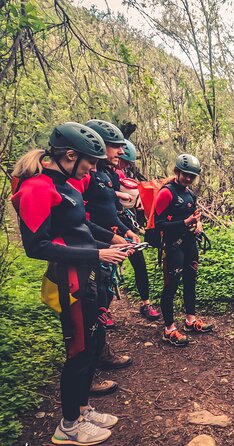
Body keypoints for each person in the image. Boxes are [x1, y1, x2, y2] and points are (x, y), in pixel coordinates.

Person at [11, 122, 131, 445]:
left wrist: (113, 240)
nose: (92, 168)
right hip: (69, 281)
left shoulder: (68, 184)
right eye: (89, 162)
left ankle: (81, 408)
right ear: (69, 155)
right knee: (78, 349)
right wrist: (99, 253)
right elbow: (37, 246)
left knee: (91, 343)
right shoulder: (38, 188)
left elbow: (82, 226)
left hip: (87, 271)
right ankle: (68, 426)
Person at [68, 119, 135, 373]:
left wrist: (126, 231)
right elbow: (81, 218)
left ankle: (99, 352)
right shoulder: (84, 176)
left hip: (105, 245)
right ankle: (88, 365)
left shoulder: (104, 174)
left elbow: (108, 211)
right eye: (115, 146)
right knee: (91, 307)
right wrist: (108, 239)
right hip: (89, 248)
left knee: (103, 300)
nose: (120, 151)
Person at [155, 154, 212, 346]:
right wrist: (185, 222)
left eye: (192, 176)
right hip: (172, 246)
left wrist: (198, 224)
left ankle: (190, 320)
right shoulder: (166, 193)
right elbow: (159, 224)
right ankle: (169, 329)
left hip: (189, 243)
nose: (188, 178)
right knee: (171, 286)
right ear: (177, 172)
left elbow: (194, 215)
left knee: (190, 281)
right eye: (185, 174)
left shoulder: (190, 194)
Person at [115, 138, 160, 321]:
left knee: (139, 263)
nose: (126, 165)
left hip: (125, 221)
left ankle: (145, 303)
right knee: (108, 266)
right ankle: (106, 309)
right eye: (124, 161)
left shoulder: (121, 174)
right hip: (110, 224)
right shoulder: (102, 174)